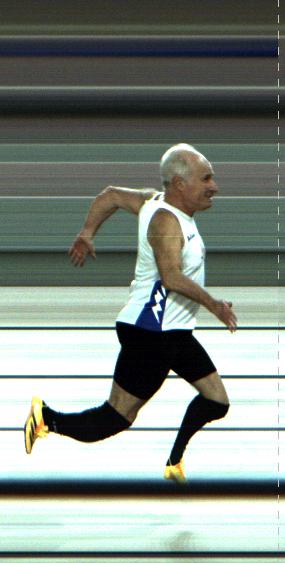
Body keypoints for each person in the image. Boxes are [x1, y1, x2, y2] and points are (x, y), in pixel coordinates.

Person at [23, 144, 237, 484]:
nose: (214, 187)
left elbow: (110, 196)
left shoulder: (152, 201)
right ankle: (46, 419)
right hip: (151, 333)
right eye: (206, 179)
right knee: (116, 417)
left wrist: (87, 233)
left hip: (174, 332)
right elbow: (171, 276)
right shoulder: (166, 223)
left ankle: (174, 462)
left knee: (217, 401)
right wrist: (214, 305)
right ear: (179, 184)